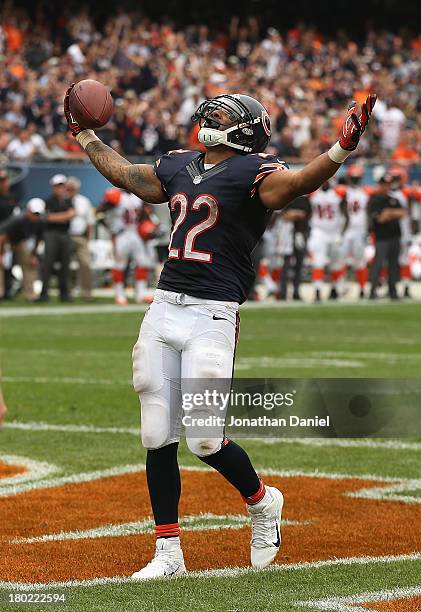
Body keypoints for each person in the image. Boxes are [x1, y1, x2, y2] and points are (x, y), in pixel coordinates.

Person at [65, 86, 376, 579]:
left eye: (228, 111)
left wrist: (341, 149)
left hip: (213, 312)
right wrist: (87, 137)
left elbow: (296, 184)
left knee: (206, 439)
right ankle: (168, 553)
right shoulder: (177, 164)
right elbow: (129, 176)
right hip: (165, 307)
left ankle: (261, 502)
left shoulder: (256, 171)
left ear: (246, 127)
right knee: (155, 432)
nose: (215, 111)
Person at [96, 188, 154, 304]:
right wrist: (109, 227)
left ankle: (141, 293)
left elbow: (145, 213)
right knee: (120, 265)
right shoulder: (116, 195)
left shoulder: (137, 195)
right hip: (120, 234)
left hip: (135, 233)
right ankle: (119, 294)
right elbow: (99, 212)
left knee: (142, 262)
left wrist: (148, 226)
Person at [37, 174, 75, 302]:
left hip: (64, 235)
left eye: (62, 186)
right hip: (51, 234)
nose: (60, 189)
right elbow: (46, 218)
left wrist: (56, 217)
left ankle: (64, 294)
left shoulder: (68, 201)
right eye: (57, 186)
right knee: (47, 264)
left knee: (65, 264)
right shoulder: (48, 201)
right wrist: (64, 216)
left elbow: (72, 214)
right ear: (53, 187)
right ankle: (44, 294)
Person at [308, 181, 348, 302]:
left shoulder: (338, 194)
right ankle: (317, 290)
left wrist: (342, 233)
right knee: (318, 262)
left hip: (335, 232)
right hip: (319, 232)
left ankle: (335, 289)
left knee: (335, 264)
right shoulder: (313, 194)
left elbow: (346, 215)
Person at [0, 198, 46, 301]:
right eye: (34, 213)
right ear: (29, 210)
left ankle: (30, 295)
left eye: (38, 214)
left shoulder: (40, 223)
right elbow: (2, 237)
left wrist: (33, 256)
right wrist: (1, 255)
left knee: (29, 263)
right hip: (4, 241)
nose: (36, 216)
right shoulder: (18, 220)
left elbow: (38, 240)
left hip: (18, 242)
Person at [369, 174, 406, 300]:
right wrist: (391, 214)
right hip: (381, 237)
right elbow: (379, 218)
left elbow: (402, 213)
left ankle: (392, 291)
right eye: (384, 184)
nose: (386, 187)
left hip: (395, 236)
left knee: (393, 265)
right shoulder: (375, 200)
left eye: (388, 185)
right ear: (380, 185)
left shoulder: (394, 199)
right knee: (378, 264)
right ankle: (373, 291)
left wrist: (388, 213)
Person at [341, 165, 370, 298]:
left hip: (359, 230)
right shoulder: (342, 191)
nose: (355, 180)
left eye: (357, 178)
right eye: (353, 178)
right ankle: (340, 286)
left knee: (360, 261)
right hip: (345, 230)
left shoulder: (366, 193)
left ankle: (363, 288)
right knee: (341, 260)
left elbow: (368, 213)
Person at [67, 176, 94, 300]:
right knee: (65, 264)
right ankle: (68, 292)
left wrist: (89, 238)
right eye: (69, 189)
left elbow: (89, 221)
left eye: (73, 189)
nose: (71, 191)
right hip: (66, 236)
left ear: (77, 189)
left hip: (80, 237)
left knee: (85, 263)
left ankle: (86, 293)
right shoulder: (63, 201)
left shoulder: (84, 201)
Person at [0, 168, 17, 299]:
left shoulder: (11, 197)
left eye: (4, 180)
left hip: (9, 234)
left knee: (8, 262)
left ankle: (8, 290)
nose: (3, 183)